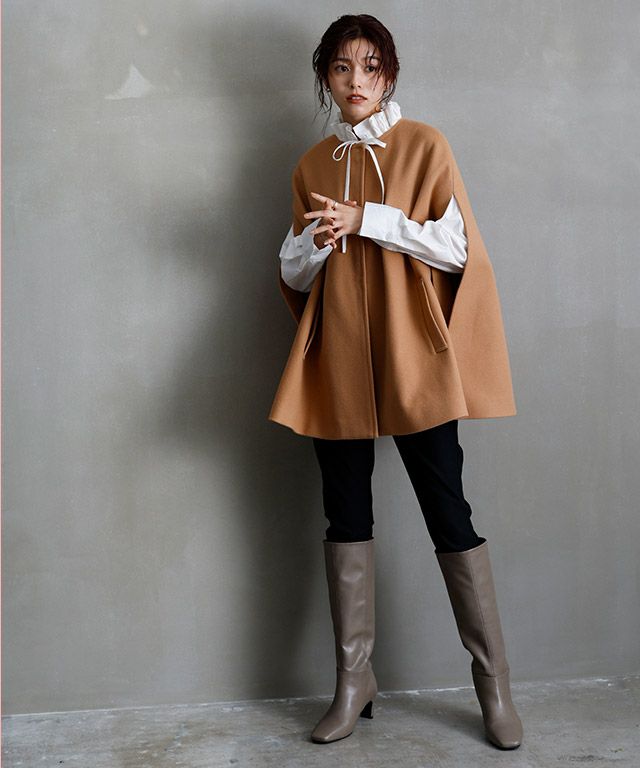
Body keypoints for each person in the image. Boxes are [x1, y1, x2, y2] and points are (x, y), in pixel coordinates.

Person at [268, 13, 523, 750]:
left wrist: (369, 219)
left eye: (370, 67)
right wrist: (316, 243)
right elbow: (291, 273)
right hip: (339, 359)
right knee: (345, 514)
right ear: (326, 77)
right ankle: (354, 681)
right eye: (342, 68)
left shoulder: (424, 145)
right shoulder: (312, 164)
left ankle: (494, 686)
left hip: (416, 358)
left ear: (390, 75)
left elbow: (456, 247)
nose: (356, 81)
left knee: (449, 510)